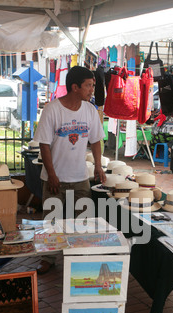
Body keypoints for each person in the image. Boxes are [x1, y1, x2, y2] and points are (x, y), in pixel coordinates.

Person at [34, 65, 106, 274]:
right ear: (75, 87)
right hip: (54, 178)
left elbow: (96, 140)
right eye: (88, 85)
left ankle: (80, 255)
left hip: (80, 177)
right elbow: (44, 144)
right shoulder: (53, 109)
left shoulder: (90, 110)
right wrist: (53, 175)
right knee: (52, 220)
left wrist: (98, 167)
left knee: (83, 220)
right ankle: (48, 258)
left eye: (93, 85)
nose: (92, 89)